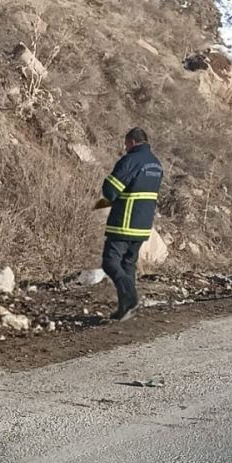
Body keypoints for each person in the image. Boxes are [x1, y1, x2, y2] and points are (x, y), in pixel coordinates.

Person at [96, 127, 162, 321]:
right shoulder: (156, 164)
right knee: (128, 264)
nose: (125, 148)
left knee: (110, 262)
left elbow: (111, 191)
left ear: (132, 142)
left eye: (126, 144)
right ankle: (125, 308)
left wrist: (107, 185)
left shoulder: (131, 160)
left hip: (124, 221)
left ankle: (131, 298)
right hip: (143, 225)